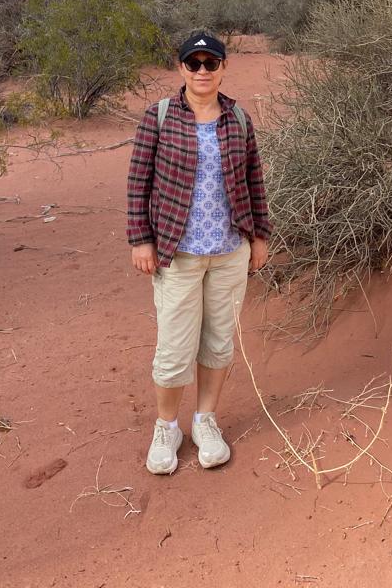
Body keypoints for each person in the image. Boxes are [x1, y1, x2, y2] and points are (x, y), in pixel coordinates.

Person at [126, 29, 271, 475]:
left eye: (212, 63)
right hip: (177, 252)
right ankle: (167, 426)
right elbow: (138, 182)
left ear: (224, 67)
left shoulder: (238, 119)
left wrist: (259, 236)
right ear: (182, 69)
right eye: (195, 63)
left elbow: (253, 179)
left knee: (218, 342)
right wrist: (141, 239)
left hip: (229, 250)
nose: (203, 71)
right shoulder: (160, 116)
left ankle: (205, 420)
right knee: (173, 349)